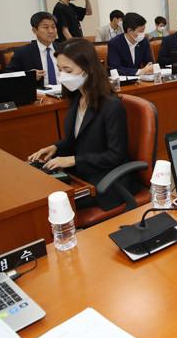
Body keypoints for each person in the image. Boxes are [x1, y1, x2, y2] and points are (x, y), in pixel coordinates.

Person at [28, 39, 139, 210]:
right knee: (40, 189)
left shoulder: (111, 105)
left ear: (88, 69)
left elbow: (116, 155)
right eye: (59, 69)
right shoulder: (77, 97)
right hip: (84, 172)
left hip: (107, 180)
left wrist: (73, 160)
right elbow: (78, 139)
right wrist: (55, 148)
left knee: (51, 204)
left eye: (68, 70)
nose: (62, 75)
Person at [5, 12, 61, 87]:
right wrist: (29, 76)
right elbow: (8, 76)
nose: (51, 31)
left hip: (64, 91)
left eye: (53, 27)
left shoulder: (65, 49)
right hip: (39, 92)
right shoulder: (23, 53)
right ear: (34, 30)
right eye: (46, 27)